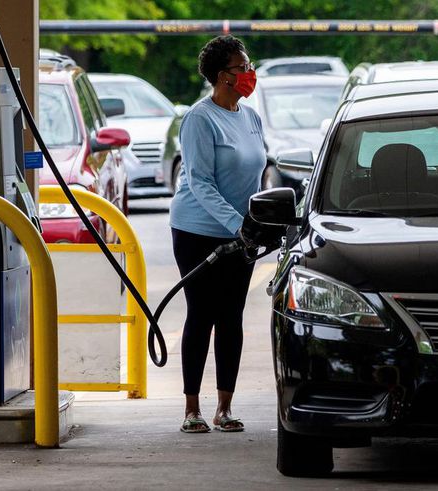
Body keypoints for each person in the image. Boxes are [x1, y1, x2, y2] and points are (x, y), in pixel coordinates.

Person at [169, 35, 264, 433]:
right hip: (197, 230)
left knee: (231, 317)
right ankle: (191, 408)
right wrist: (236, 225)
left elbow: (258, 175)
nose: (248, 73)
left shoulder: (250, 117)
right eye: (242, 67)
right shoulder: (199, 119)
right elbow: (200, 182)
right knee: (202, 314)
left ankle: (224, 408)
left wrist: (262, 220)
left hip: (242, 234)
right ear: (222, 76)